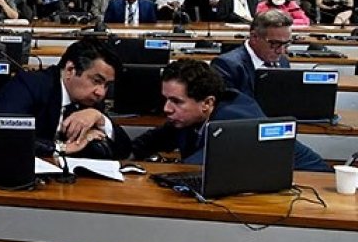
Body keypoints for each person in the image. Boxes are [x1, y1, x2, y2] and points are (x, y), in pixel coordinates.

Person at [131, 59, 329, 172]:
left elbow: (195, 170)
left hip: (312, 181)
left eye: (176, 101)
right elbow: (146, 143)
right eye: (166, 99)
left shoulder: (236, 121)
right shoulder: (187, 118)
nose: (167, 108)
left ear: (207, 103)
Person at [0, 37, 131, 159]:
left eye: (107, 85)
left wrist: (101, 119)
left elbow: (125, 150)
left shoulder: (90, 102)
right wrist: (59, 148)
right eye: (96, 81)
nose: (101, 92)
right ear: (70, 70)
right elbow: (3, 137)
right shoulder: (29, 86)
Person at [210, 10, 292, 99]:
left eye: (286, 44)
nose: (281, 51)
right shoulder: (226, 66)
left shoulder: (283, 62)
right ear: (254, 37)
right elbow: (228, 108)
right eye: (275, 44)